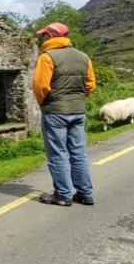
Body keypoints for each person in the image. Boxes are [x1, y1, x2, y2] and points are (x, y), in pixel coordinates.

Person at [32, 22, 96, 206]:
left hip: (55, 112)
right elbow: (90, 84)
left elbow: (40, 86)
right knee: (78, 153)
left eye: (44, 35)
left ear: (51, 36)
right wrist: (77, 99)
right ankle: (85, 193)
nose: (42, 37)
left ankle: (62, 194)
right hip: (78, 111)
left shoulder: (47, 57)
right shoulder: (84, 57)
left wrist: (44, 102)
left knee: (57, 154)